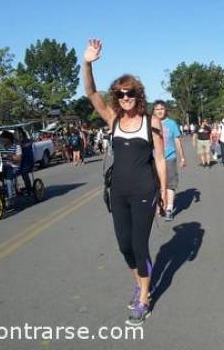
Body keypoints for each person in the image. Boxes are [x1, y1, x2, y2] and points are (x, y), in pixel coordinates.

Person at [83, 39, 167, 326]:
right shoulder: (113, 120)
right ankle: (140, 281)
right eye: (119, 94)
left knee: (139, 245)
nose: (124, 98)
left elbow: (159, 160)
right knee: (124, 246)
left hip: (144, 191)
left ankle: (144, 298)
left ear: (138, 94)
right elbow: (91, 92)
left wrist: (164, 192)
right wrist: (87, 63)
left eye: (129, 93)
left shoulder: (150, 123)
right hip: (118, 193)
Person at [153, 100, 187, 221]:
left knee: (170, 184)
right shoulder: (150, 124)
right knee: (157, 185)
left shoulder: (171, 123)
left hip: (169, 157)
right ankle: (160, 205)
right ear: (154, 111)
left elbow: (177, 141)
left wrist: (182, 157)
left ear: (165, 110)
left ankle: (169, 208)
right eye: (157, 109)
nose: (159, 111)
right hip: (155, 159)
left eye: (161, 108)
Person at [0, 130, 23, 203]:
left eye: (4, 138)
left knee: (8, 177)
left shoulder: (17, 146)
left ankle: (10, 196)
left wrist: (9, 157)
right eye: (2, 139)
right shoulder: (1, 147)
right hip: (2, 167)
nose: (2, 140)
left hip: (14, 167)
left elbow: (19, 158)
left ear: (8, 139)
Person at [16, 127, 34, 195]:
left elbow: (28, 145)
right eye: (16, 133)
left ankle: (29, 189)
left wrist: (20, 145)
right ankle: (15, 190)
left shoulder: (27, 140)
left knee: (24, 173)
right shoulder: (15, 142)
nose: (18, 134)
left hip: (28, 161)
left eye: (18, 133)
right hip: (19, 162)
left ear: (21, 133)